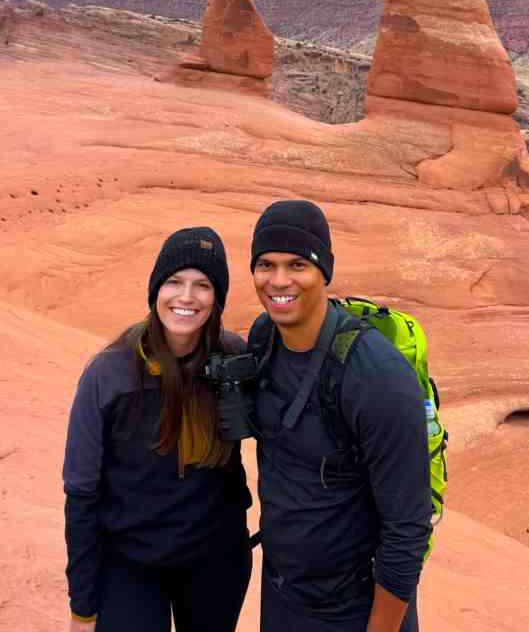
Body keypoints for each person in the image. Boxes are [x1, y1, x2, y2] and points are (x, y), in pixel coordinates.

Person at [248, 200, 432, 632]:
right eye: (265, 265)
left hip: (354, 611)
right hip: (282, 596)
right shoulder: (263, 338)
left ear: (324, 272)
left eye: (297, 265)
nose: (279, 281)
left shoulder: (376, 375)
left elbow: (407, 529)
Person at [63, 227, 252, 631]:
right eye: (174, 282)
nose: (187, 296)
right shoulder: (110, 373)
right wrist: (83, 607)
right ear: (156, 291)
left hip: (215, 562)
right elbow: (80, 493)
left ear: (217, 297)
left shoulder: (233, 360)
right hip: (130, 562)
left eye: (203, 285)